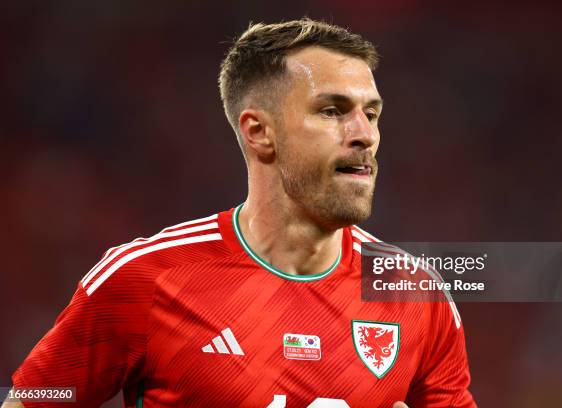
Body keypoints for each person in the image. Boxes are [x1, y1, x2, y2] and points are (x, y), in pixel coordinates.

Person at [4, 19, 475, 407]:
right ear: (258, 132)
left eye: (371, 114)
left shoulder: (414, 296)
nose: (364, 134)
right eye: (333, 111)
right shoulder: (145, 279)